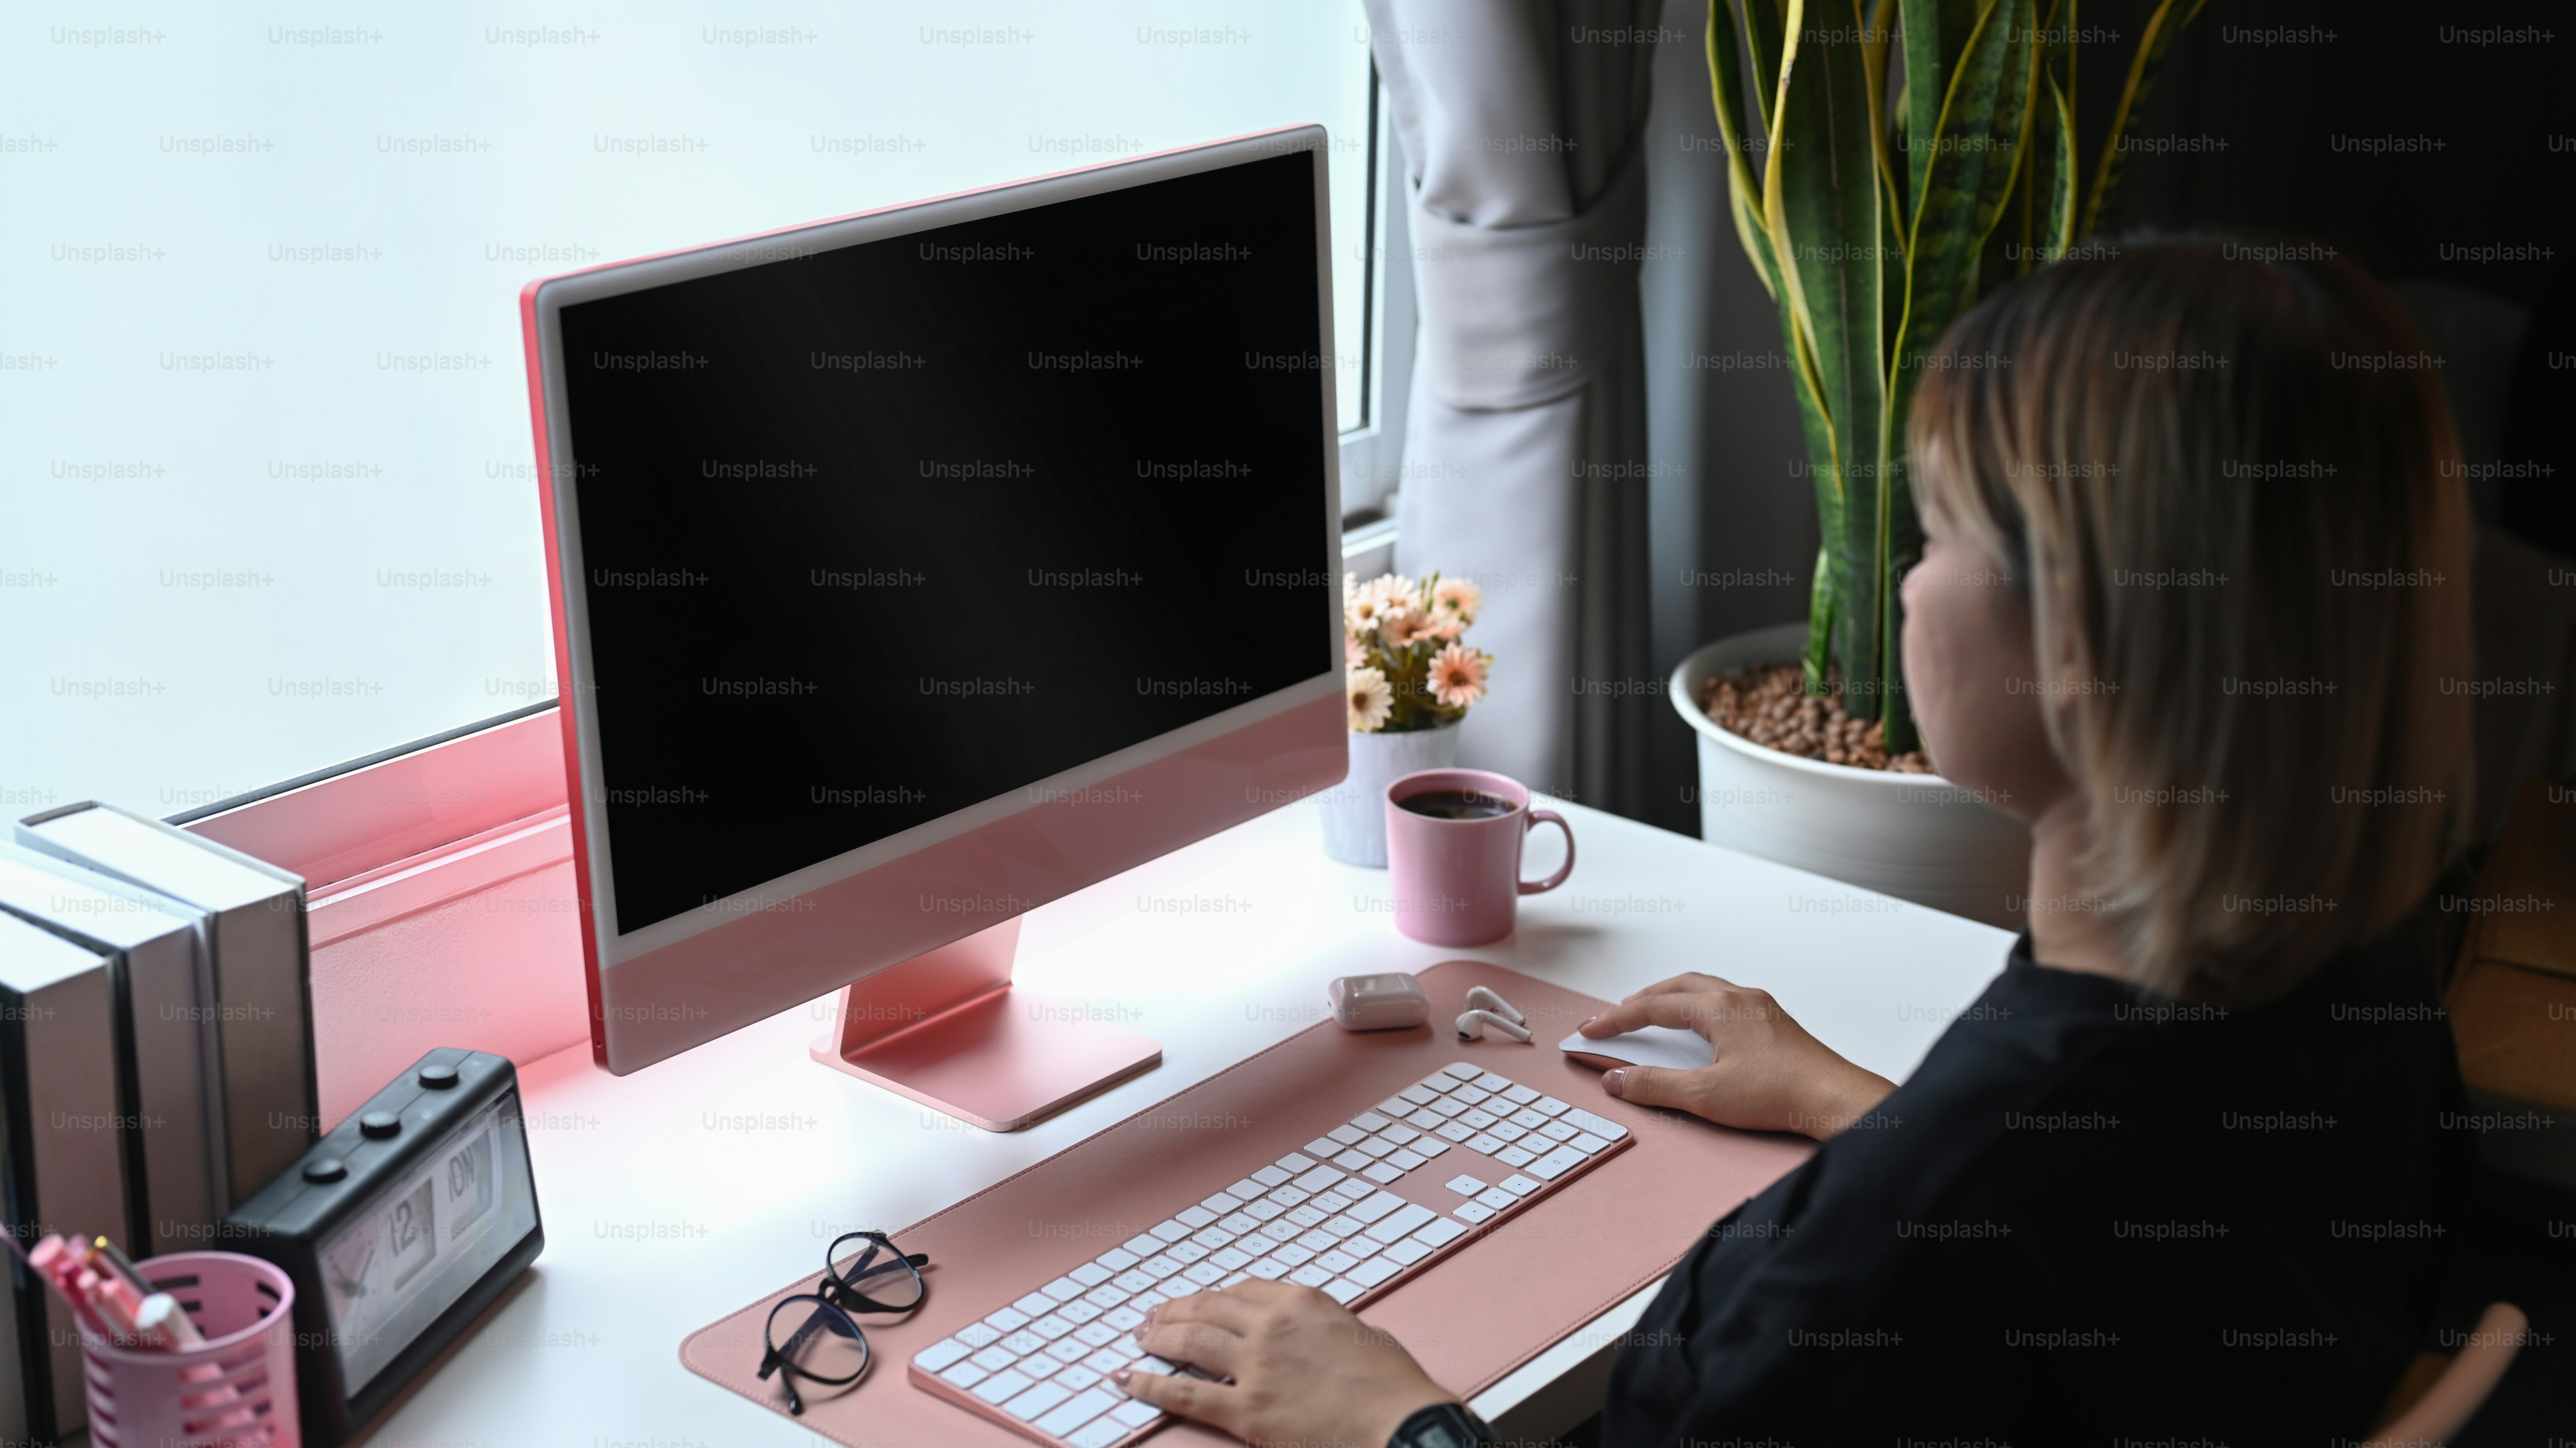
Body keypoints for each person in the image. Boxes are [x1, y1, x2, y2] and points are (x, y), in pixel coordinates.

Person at [1111, 237, 2480, 1447]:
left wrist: (1392, 1418)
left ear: (2085, 645)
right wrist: (1860, 1106)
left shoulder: (1914, 1242)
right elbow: (2127, 1251)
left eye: (1936, 533)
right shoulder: (2362, 989)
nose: (1901, 581)